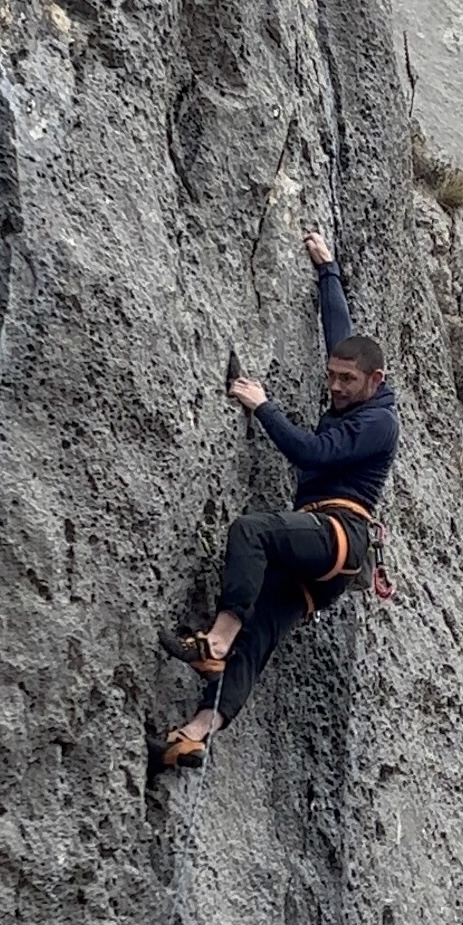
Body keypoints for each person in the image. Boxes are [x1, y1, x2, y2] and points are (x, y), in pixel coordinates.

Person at [153, 230, 398, 769]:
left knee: (252, 531)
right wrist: (327, 269)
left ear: (373, 380)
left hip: (340, 535)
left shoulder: (379, 422)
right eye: (331, 377)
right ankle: (192, 737)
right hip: (322, 561)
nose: (334, 387)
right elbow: (342, 333)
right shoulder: (364, 384)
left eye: (345, 381)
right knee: (258, 633)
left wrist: (263, 407)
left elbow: (309, 452)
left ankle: (213, 644)